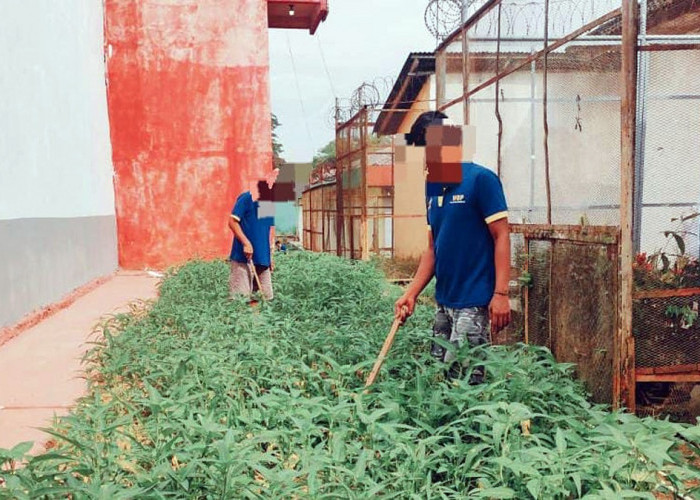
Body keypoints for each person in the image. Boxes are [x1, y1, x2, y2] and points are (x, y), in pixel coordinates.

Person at [395, 111, 511, 383]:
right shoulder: (433, 187)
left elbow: (502, 236)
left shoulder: (481, 180)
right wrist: (410, 293)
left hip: (473, 300)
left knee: (465, 379)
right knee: (440, 375)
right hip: (444, 300)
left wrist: (501, 293)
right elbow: (433, 248)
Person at [228, 168, 279, 302]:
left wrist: (269, 256)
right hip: (244, 257)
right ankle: (242, 323)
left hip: (262, 258)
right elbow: (232, 221)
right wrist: (246, 243)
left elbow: (266, 231)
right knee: (241, 299)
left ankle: (257, 323)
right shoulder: (247, 197)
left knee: (266, 299)